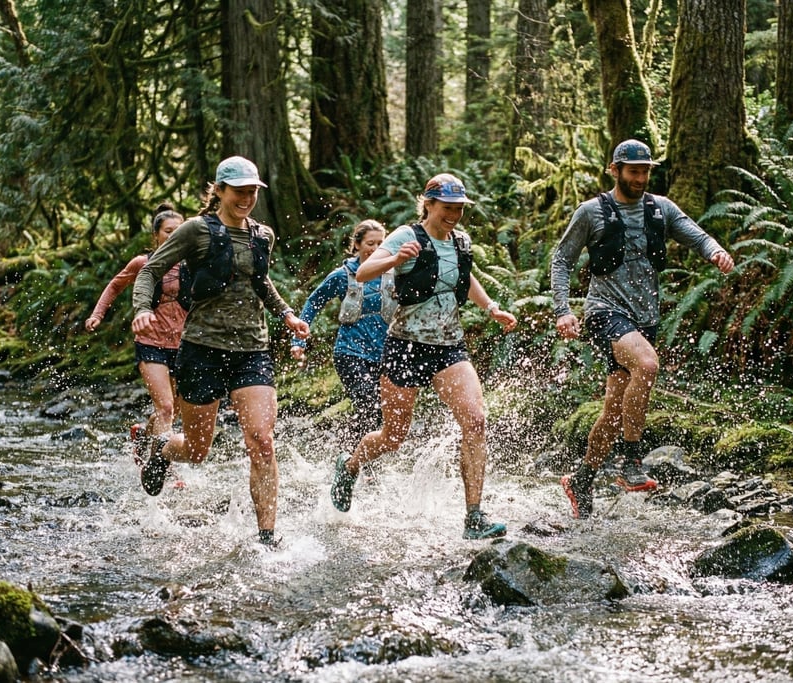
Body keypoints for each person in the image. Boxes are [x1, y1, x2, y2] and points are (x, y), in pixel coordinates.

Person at [130, 156, 310, 548]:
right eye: (240, 191)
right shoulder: (195, 231)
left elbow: (260, 283)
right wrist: (142, 308)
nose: (247, 198)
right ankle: (160, 448)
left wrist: (287, 314)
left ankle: (266, 536)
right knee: (196, 450)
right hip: (202, 350)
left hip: (252, 349)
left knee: (262, 441)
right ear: (220, 191)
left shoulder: (263, 235)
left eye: (253, 192)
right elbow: (150, 270)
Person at [551, 139, 735, 519]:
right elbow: (562, 261)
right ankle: (631, 462)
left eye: (645, 171)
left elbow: (697, 235)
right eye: (633, 170)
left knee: (614, 410)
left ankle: (582, 478)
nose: (640, 177)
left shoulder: (660, 209)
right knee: (648, 366)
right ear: (614, 169)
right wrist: (563, 310)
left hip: (645, 317)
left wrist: (715, 251)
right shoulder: (591, 212)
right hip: (605, 311)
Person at [329, 173, 517, 540]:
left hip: (449, 346)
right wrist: (395, 258)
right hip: (405, 345)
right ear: (428, 204)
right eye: (447, 208)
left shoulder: (461, 242)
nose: (454, 215)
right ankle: (350, 467)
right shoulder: (406, 236)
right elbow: (365, 272)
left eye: (459, 209)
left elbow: (465, 278)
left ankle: (473, 517)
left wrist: (491, 307)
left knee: (476, 421)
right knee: (393, 435)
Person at [85, 203, 186, 454]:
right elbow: (115, 286)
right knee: (165, 408)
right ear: (156, 235)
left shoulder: (193, 265)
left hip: (185, 345)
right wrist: (97, 314)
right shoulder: (143, 262)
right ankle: (163, 466)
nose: (174, 236)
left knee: (175, 408)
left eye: (180, 231)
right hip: (151, 343)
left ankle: (142, 435)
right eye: (168, 231)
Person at [290, 219, 394, 442]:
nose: (376, 249)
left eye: (380, 243)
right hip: (350, 353)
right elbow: (313, 303)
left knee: (381, 410)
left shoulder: (393, 273)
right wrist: (298, 340)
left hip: (383, 353)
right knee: (369, 402)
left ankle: (351, 452)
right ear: (357, 245)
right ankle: (355, 457)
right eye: (370, 243)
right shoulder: (342, 275)